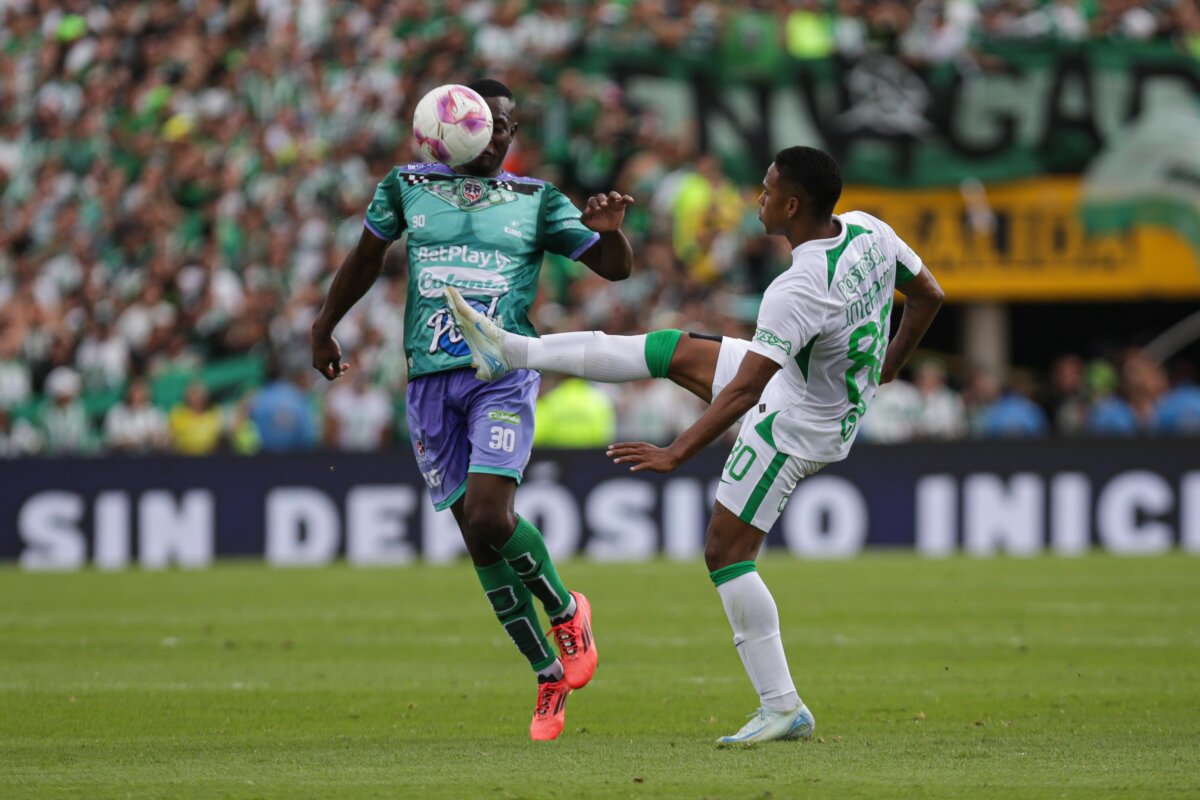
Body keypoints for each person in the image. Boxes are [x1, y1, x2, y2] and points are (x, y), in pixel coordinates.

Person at [448, 146, 944, 745]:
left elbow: (743, 394)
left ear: (792, 204)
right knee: (670, 349)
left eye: (765, 190)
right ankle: (512, 350)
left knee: (724, 551)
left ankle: (782, 706)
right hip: (809, 387)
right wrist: (885, 368)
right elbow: (929, 295)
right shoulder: (870, 230)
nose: (756, 198)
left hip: (797, 422)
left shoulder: (800, 286)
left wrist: (675, 452)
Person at [310, 79, 635, 741]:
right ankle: (546, 675)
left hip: (502, 372)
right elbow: (366, 258)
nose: (500, 136)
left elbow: (614, 269)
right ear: (460, 124)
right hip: (430, 385)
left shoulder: (535, 199)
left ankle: (566, 609)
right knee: (476, 537)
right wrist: (323, 326)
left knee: (491, 512)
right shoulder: (406, 186)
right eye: (491, 123)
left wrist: (612, 236)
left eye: (509, 127)